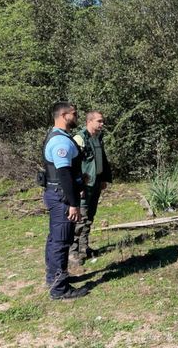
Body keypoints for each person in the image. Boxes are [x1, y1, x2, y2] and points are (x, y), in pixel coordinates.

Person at [43, 102, 88, 299]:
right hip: (62, 197)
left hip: (58, 194)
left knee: (56, 238)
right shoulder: (60, 141)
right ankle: (60, 290)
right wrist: (73, 204)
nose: (76, 116)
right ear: (63, 115)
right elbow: (63, 174)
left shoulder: (59, 136)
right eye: (74, 113)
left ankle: (54, 278)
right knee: (61, 241)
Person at [69, 110, 112, 265]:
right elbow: (73, 165)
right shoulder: (80, 138)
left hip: (95, 183)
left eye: (102, 121)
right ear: (89, 121)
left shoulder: (97, 138)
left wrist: (103, 178)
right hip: (84, 187)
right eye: (99, 121)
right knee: (80, 218)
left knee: (89, 217)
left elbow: (100, 160)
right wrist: (78, 184)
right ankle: (72, 253)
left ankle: (84, 247)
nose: (102, 124)